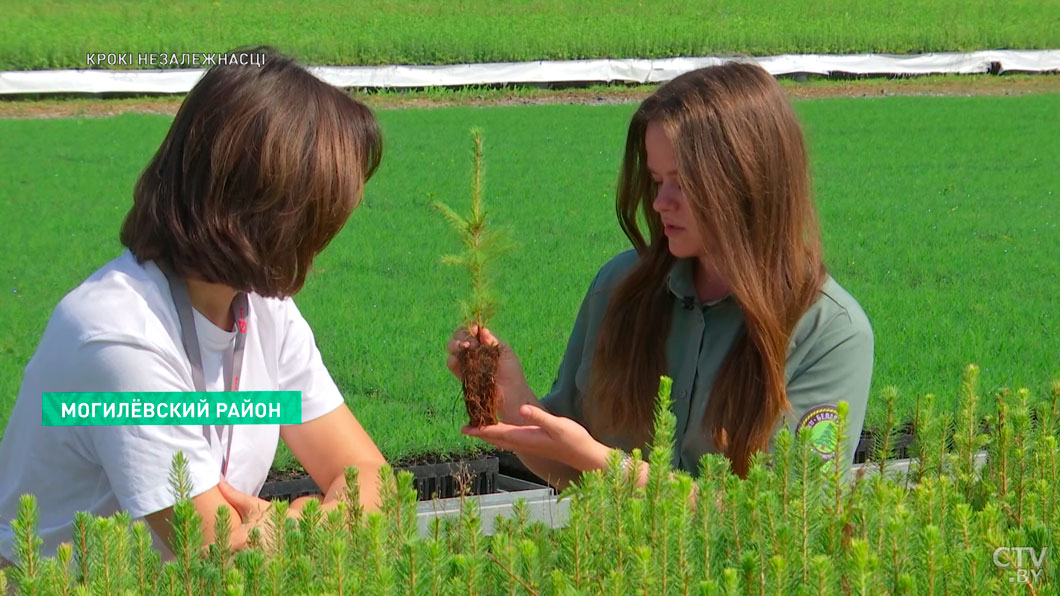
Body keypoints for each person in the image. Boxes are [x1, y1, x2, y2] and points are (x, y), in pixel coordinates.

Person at [0, 47, 386, 563]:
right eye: (322, 211)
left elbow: (374, 481)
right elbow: (216, 548)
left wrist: (293, 524)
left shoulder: (263, 312)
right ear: (267, 209)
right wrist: (313, 520)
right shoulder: (119, 334)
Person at [446, 62, 874, 489]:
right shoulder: (618, 287)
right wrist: (514, 397)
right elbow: (568, 466)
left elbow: (787, 522)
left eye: (682, 182)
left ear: (748, 180)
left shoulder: (830, 333)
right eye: (655, 180)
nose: (660, 202)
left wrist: (605, 464)